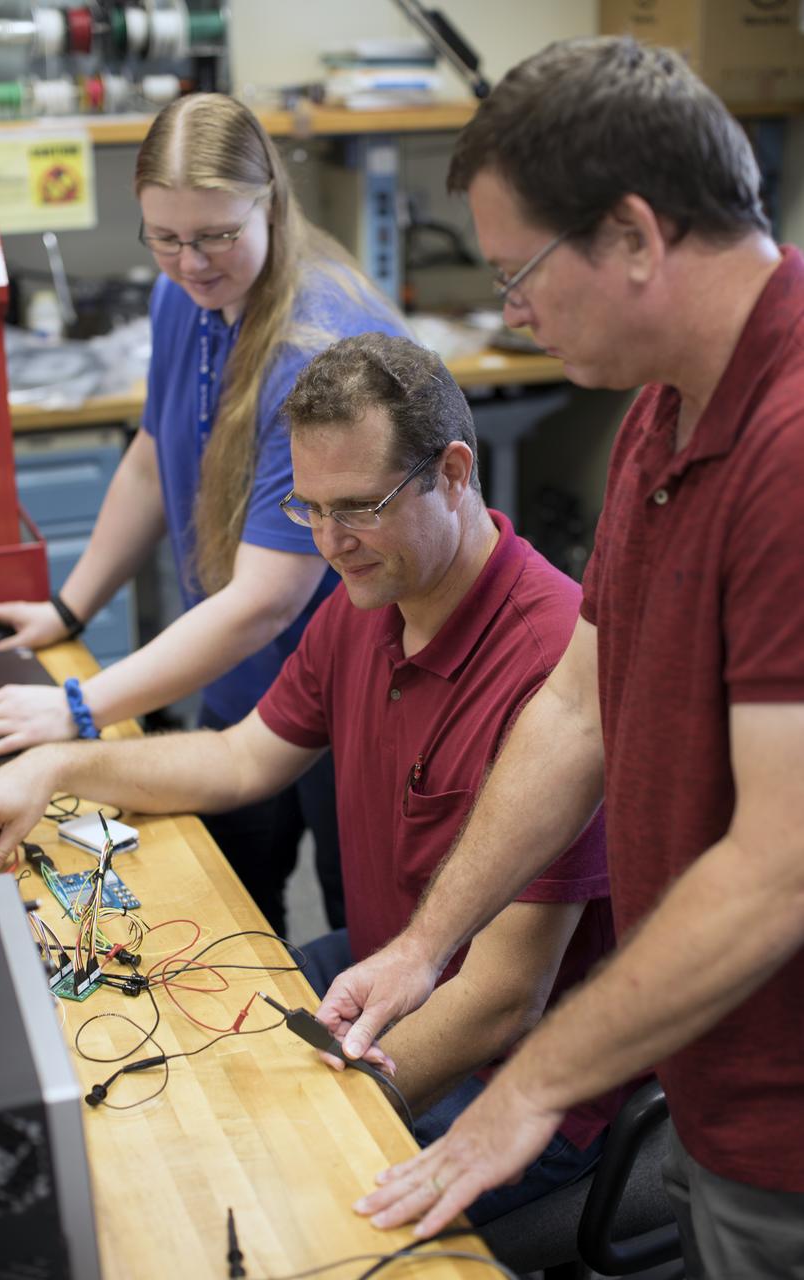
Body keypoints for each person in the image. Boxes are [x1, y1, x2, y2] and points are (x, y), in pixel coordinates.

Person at [304, 38, 804, 1279]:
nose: (511, 310)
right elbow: (580, 705)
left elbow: (780, 865)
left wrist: (529, 1084)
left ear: (633, 233)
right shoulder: (663, 408)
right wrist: (427, 949)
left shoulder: (791, 449)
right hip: (706, 1066)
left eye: (519, 271)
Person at [0, 333, 619, 1224]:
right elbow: (241, 758)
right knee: (159, 1057)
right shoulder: (370, 599)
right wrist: (57, 765)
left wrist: (314, 1124)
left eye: (358, 507)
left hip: (520, 1073)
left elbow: (502, 1001)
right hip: (377, 972)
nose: (331, 543)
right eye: (307, 508)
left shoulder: (551, 666)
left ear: (454, 473)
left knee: (256, 1201)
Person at [0, 93, 407, 935]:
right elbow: (153, 461)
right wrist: (66, 607)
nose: (191, 262)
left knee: (363, 930)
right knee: (228, 906)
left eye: (216, 235)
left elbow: (267, 596)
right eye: (165, 237)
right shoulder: (188, 300)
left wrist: (76, 711)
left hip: (356, 695)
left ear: (266, 200)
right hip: (237, 672)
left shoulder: (316, 350)